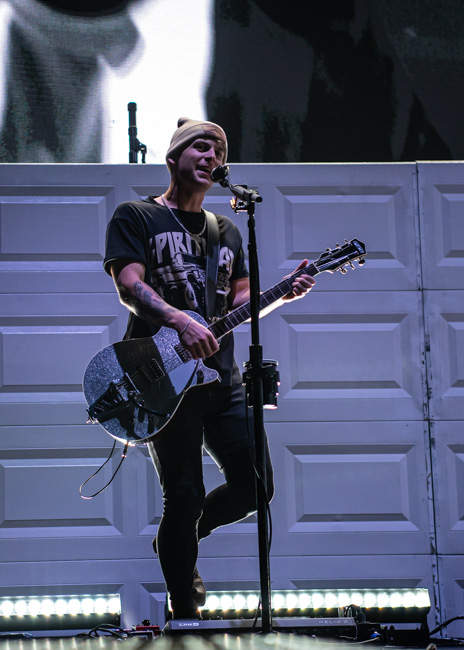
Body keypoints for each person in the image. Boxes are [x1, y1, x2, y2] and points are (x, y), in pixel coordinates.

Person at [102, 117, 315, 618]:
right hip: (161, 378)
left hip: (223, 379)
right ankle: (185, 613)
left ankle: (178, 542)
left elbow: (242, 301)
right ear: (174, 157)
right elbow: (129, 285)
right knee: (184, 494)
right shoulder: (135, 216)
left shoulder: (228, 230)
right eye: (200, 145)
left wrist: (286, 289)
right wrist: (179, 321)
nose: (210, 154)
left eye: (218, 148)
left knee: (256, 486)